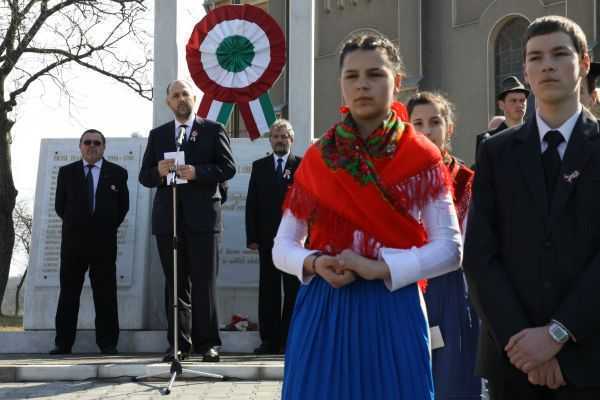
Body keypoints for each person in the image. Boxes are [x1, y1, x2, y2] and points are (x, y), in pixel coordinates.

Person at [272, 34, 462, 399]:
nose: (362, 84)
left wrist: (383, 268)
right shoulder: (318, 158)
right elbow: (282, 246)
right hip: (323, 309)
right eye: (351, 76)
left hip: (393, 306)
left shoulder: (421, 157)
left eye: (375, 74)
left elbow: (451, 250)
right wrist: (314, 262)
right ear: (341, 85)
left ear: (398, 82)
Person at [464, 15, 600, 399]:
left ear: (584, 63)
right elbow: (479, 255)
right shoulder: (495, 152)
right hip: (513, 360)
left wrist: (560, 332)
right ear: (524, 69)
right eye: (535, 57)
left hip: (590, 356)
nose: (547, 65)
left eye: (559, 54)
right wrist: (524, 347)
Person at [139, 80, 236, 363]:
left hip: (204, 219)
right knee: (175, 283)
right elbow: (144, 177)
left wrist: (197, 172)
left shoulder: (213, 129)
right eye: (175, 95)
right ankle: (179, 344)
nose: (180, 98)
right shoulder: (158, 135)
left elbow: (227, 167)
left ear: (194, 98)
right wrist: (157, 170)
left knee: (204, 283)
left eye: (185, 94)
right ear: (168, 102)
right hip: (168, 219)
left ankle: (208, 343)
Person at [407, 91, 480, 400]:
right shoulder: (397, 182)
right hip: (408, 286)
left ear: (449, 127)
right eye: (418, 123)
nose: (427, 131)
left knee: (454, 381)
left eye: (435, 122)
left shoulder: (467, 180)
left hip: (453, 290)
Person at [51, 129, 129, 355]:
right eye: (87, 142)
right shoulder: (66, 172)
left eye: (97, 142)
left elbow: (123, 207)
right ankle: (63, 343)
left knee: (105, 294)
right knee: (68, 293)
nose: (92, 146)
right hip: (73, 244)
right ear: (80, 146)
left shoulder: (117, 173)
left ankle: (108, 344)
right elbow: (60, 206)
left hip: (104, 244)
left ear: (104, 147)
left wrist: (105, 226)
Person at [245, 119, 302, 355]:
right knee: (268, 290)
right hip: (267, 239)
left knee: (292, 290)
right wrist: (252, 236)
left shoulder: (301, 166)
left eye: (284, 136)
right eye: (276, 136)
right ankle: (268, 340)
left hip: (295, 241)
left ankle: (290, 339)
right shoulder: (259, 166)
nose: (280, 140)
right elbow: (252, 205)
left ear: (292, 140)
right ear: (270, 140)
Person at [475, 76, 529, 158]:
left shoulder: (536, 134)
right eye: (513, 101)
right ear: (501, 105)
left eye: (522, 100)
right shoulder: (487, 140)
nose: (519, 105)